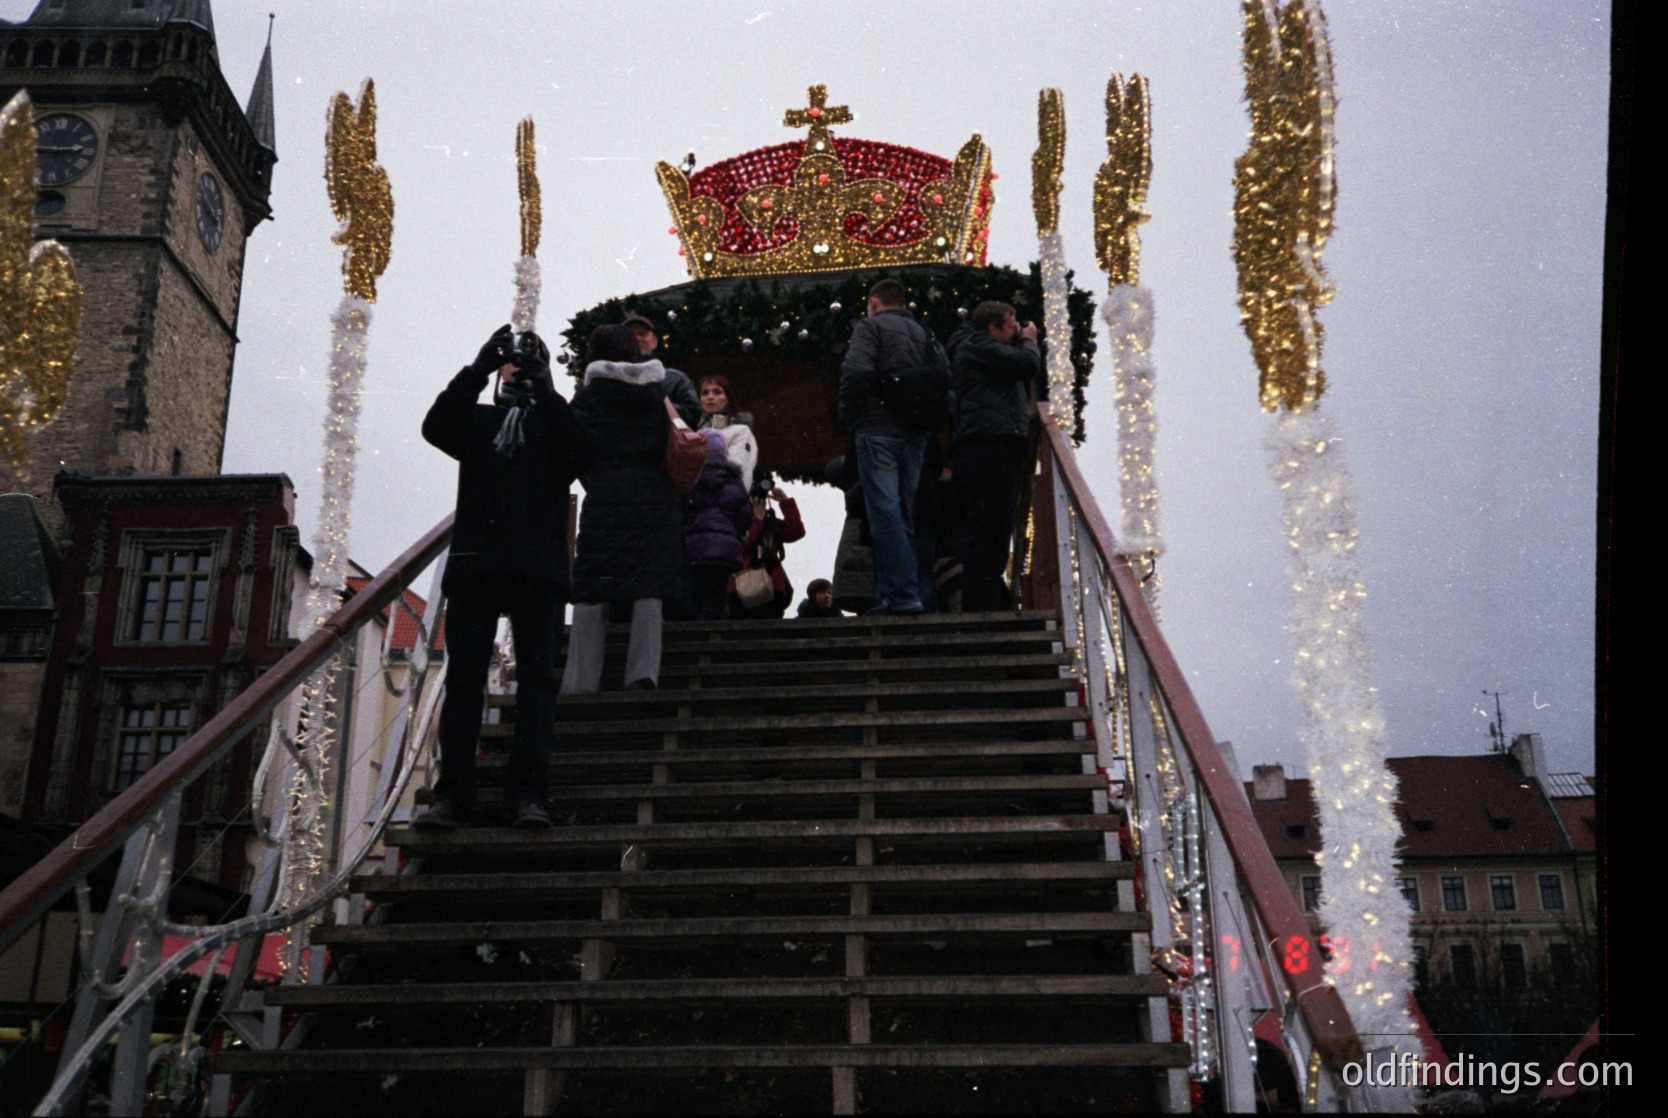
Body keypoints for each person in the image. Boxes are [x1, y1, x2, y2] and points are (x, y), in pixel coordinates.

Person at [415, 324, 593, 829]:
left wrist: (552, 393)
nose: (519, 367)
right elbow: (436, 428)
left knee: (537, 685)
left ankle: (528, 795)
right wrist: (475, 371)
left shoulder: (557, 423)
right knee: (467, 681)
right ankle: (453, 795)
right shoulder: (477, 419)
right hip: (478, 563)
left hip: (538, 568)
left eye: (531, 359)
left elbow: (586, 458)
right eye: (512, 361)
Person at [562, 324, 683, 693]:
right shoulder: (655, 391)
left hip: (606, 492)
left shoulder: (590, 395)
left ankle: (580, 681)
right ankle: (642, 674)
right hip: (652, 493)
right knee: (648, 586)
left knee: (594, 584)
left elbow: (572, 444)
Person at [838, 278, 948, 614]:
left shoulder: (870, 329)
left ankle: (899, 594)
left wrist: (848, 416)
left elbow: (855, 371)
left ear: (873, 303)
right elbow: (945, 381)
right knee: (902, 515)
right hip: (914, 434)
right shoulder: (926, 335)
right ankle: (901, 592)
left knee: (884, 513)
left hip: (877, 428)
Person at [945, 300, 1040, 611]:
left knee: (994, 529)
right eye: (1011, 326)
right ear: (992, 327)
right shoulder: (977, 345)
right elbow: (1026, 365)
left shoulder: (981, 347)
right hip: (986, 446)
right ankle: (982, 606)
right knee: (988, 529)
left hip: (991, 445)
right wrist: (1028, 342)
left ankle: (986, 600)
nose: (1016, 331)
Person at [682, 428, 753, 620]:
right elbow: (745, 518)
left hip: (692, 549)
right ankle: (711, 640)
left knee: (693, 598)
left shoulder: (688, 480)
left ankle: (692, 639)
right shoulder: (734, 482)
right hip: (723, 552)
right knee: (715, 599)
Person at [728, 476, 805, 620]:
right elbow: (743, 545)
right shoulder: (735, 518)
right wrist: (757, 519)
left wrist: (785, 501)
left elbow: (796, 532)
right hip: (742, 584)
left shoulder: (770, 522)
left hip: (772, 585)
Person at [622, 312, 701, 428]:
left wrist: (655, 404)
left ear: (654, 342)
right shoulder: (608, 380)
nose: (637, 338)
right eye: (630, 335)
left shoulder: (675, 380)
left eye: (642, 334)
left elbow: (693, 417)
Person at [692, 372, 757, 492]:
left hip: (726, 503)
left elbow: (740, 475)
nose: (710, 397)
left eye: (717, 392)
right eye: (705, 393)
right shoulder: (692, 434)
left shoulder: (740, 431)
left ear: (728, 399)